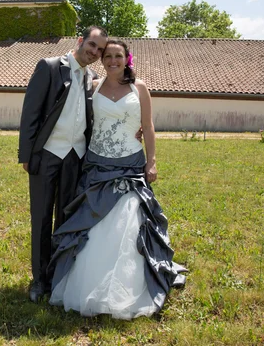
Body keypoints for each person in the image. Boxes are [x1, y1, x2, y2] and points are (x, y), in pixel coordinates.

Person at [48, 40, 187, 319]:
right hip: (97, 164)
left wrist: (152, 161)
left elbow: (147, 127)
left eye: (118, 56)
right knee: (93, 223)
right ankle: (85, 284)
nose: (113, 60)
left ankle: (131, 286)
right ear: (103, 59)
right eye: (108, 55)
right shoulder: (93, 86)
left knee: (131, 222)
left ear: (127, 59)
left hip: (131, 165)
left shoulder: (140, 88)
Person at [18, 26, 109, 303]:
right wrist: (26, 155)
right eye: (92, 45)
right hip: (47, 154)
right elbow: (30, 113)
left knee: (66, 220)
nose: (94, 52)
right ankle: (39, 280)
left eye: (100, 50)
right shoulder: (49, 67)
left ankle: (60, 275)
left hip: (76, 157)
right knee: (42, 219)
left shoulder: (93, 78)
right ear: (80, 41)